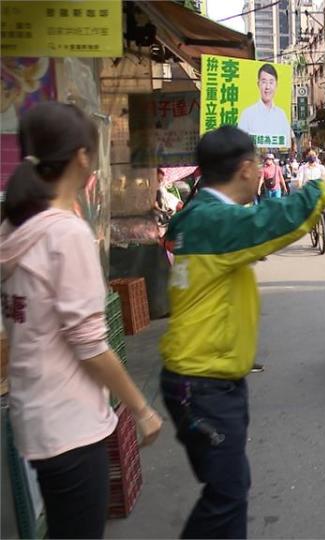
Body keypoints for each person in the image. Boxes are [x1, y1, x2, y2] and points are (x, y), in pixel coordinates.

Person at [159, 116, 325, 538]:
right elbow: (290, 213)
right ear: (248, 169)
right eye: (258, 162)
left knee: (228, 490)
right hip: (203, 384)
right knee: (226, 496)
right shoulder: (216, 222)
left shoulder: (201, 214)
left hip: (205, 379)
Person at [0, 102, 163, 539]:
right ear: (83, 157)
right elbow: (89, 342)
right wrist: (141, 407)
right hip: (70, 425)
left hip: (35, 416)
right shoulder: (64, 233)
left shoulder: (14, 229)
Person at [237, 63, 291, 143]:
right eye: (264, 82)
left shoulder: (281, 115)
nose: (267, 87)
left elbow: (287, 142)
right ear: (258, 84)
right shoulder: (247, 114)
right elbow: (240, 144)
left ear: (276, 85)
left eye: (271, 82)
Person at [298, 148, 325, 240]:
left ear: (316, 156)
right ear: (307, 157)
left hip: (319, 191)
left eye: (313, 155)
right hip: (308, 191)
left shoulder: (321, 168)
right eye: (310, 155)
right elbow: (300, 180)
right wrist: (300, 187)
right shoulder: (303, 168)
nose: (312, 157)